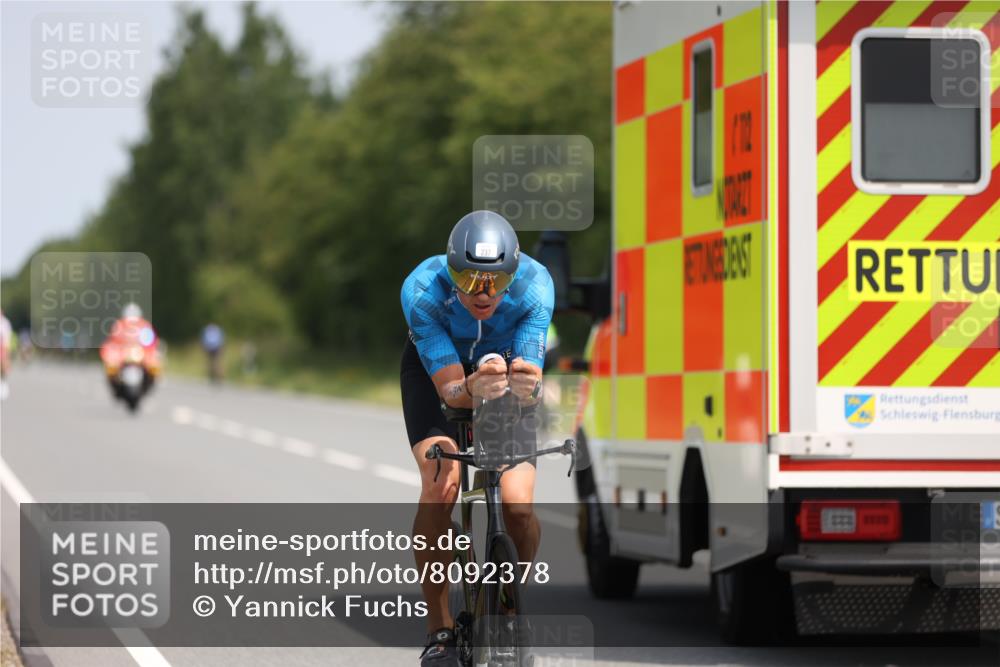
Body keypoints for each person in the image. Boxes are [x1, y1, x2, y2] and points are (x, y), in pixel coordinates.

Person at [400, 210, 554, 666]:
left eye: (494, 280)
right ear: (450, 272)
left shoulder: (536, 287)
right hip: (441, 375)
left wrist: (528, 385)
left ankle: (507, 604)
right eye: (467, 279)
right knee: (441, 484)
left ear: (513, 272)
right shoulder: (423, 291)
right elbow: (449, 391)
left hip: (504, 375)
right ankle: (439, 627)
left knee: (519, 506)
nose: (482, 294)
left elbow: (531, 377)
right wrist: (469, 387)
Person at [99, 303, 161, 393]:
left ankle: (148, 383)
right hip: (123, 354)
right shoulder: (119, 325)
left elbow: (151, 341)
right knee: (111, 367)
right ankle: (116, 386)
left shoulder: (144, 325)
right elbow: (113, 341)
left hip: (139, 353)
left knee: (154, 365)